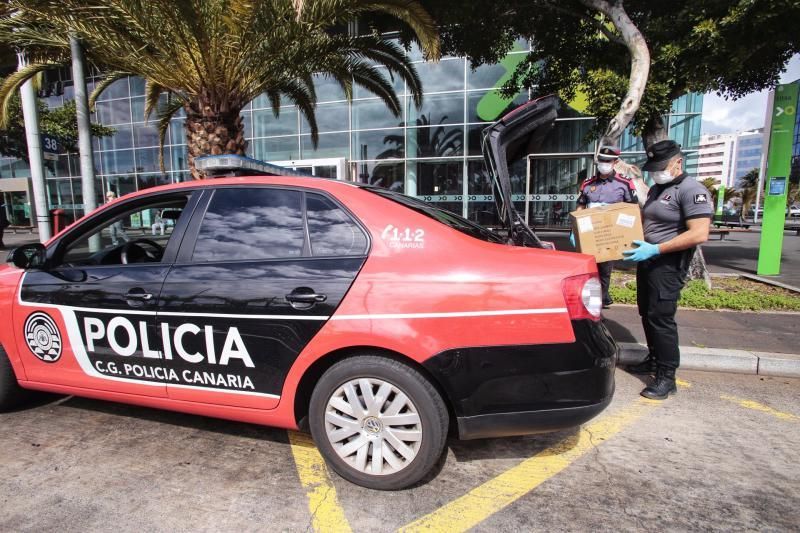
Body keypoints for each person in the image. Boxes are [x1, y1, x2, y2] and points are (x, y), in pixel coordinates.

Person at [622, 140, 713, 400]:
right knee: (647, 312)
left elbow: (699, 233)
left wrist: (657, 249)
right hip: (648, 260)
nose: (656, 172)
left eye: (661, 166)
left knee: (661, 318)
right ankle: (653, 359)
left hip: (668, 263)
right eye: (653, 167)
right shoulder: (657, 190)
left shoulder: (692, 190)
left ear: (678, 163)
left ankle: (666, 376)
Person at [574, 145, 639, 308]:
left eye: (607, 161)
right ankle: (588, 300)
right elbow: (581, 206)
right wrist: (575, 230)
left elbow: (632, 211)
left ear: (615, 162)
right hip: (589, 233)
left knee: (604, 270)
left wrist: (626, 234)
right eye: (601, 160)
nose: (604, 164)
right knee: (587, 269)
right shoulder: (588, 184)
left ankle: (600, 302)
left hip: (611, 234)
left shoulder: (624, 184)